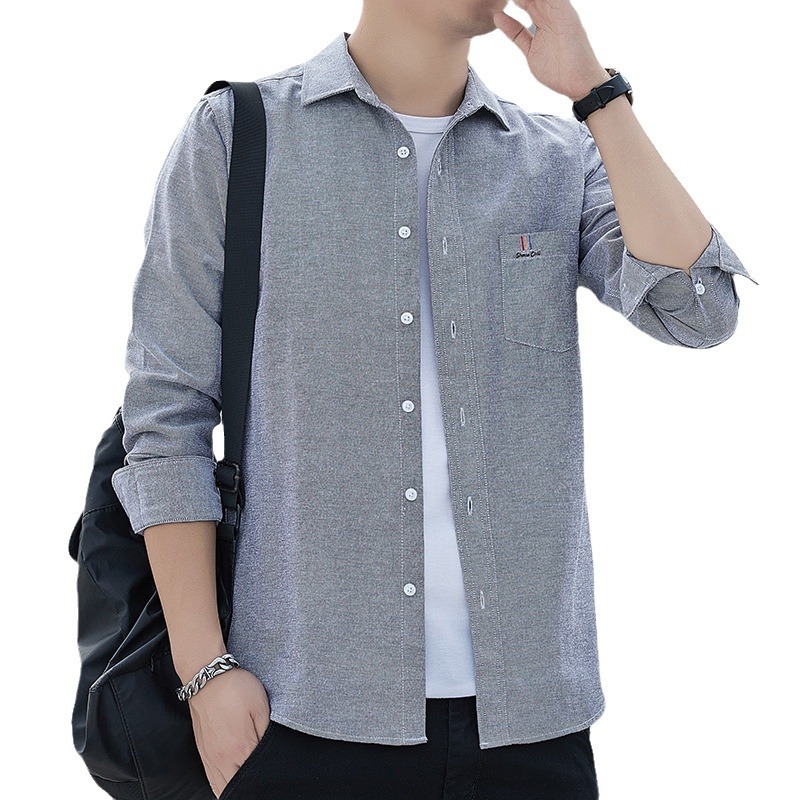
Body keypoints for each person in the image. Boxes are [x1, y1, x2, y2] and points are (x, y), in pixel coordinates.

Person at [110, 1, 758, 798]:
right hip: (299, 710)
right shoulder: (237, 135)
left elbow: (699, 310)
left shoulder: (558, 156)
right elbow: (166, 418)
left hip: (529, 721)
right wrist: (204, 671)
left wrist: (595, 93)